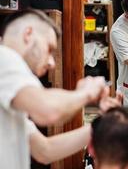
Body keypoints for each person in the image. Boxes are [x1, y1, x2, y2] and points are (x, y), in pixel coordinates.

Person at [0, 9, 121, 169]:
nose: (51, 63)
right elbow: (48, 110)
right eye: (49, 49)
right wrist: (86, 92)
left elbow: (44, 150)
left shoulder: (12, 93)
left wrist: (102, 124)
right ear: (28, 34)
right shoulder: (5, 56)